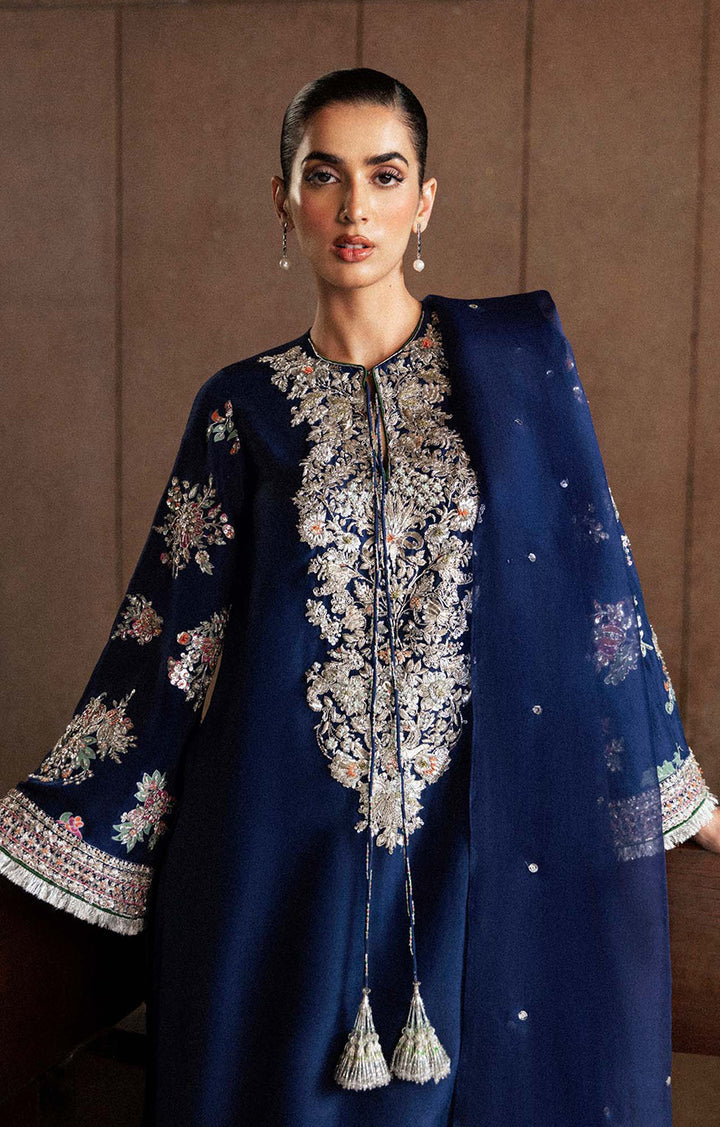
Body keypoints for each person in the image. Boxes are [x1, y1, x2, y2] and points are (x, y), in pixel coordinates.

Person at [0, 66, 718, 1127]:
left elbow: (597, 590)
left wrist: (677, 789)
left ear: (425, 200)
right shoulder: (240, 406)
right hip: (272, 846)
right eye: (323, 175)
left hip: (464, 834)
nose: (354, 208)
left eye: (384, 177)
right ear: (283, 198)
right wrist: (48, 824)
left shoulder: (515, 379)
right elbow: (168, 639)